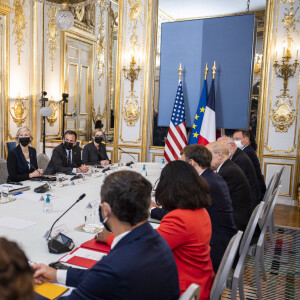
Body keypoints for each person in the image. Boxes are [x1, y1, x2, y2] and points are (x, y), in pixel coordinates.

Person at [33, 170, 180, 300]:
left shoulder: (115, 266)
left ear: (105, 211)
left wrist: (18, 286)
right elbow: (97, 277)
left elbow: (104, 276)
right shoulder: (155, 240)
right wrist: (57, 274)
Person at [98, 161, 214, 299]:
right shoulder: (200, 211)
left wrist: (110, 236)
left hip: (184, 289)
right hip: (200, 281)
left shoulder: (180, 219)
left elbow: (142, 251)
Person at [180, 144, 237, 273]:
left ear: (192, 163)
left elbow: (183, 214)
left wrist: (151, 210)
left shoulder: (204, 183)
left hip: (215, 245)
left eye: (183, 163)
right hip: (223, 237)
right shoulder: (212, 177)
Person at [206, 142, 251, 231]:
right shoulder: (228, 168)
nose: (206, 160)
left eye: (208, 156)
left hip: (235, 222)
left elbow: (214, 201)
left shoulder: (228, 172)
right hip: (238, 215)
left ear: (219, 155)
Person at [218, 136, 261, 209]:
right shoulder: (238, 155)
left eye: (222, 148)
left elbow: (227, 190)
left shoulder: (240, 160)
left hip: (246, 205)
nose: (220, 152)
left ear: (231, 145)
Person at [233, 130, 266, 198]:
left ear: (246, 139)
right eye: (233, 139)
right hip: (255, 188)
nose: (235, 141)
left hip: (253, 193)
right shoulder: (248, 150)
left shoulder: (247, 153)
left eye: (237, 139)